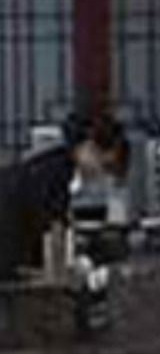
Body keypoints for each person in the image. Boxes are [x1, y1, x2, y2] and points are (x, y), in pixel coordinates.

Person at [0, 111, 128, 279]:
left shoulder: (52, 167)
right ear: (87, 147)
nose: (100, 173)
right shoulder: (53, 176)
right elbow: (50, 227)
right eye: (103, 164)